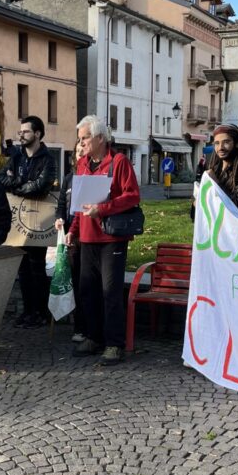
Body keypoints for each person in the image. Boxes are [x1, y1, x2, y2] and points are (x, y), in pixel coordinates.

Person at [67, 115, 141, 365]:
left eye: (85, 138)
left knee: (110, 291)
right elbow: (78, 204)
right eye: (80, 139)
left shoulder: (119, 162)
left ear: (100, 138)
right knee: (88, 290)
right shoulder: (82, 165)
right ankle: (93, 336)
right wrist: (73, 230)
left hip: (111, 237)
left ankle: (114, 343)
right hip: (87, 237)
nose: (82, 143)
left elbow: (132, 196)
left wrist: (104, 208)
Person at [0, 115, 56, 327]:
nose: (21, 135)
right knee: (22, 268)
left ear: (38, 134)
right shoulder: (17, 157)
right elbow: (1, 178)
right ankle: (28, 311)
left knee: (37, 267)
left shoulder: (48, 159)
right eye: (20, 131)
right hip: (19, 220)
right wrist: (22, 183)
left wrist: (17, 184)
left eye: (26, 131)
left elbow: (41, 187)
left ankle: (41, 312)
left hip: (39, 221)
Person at [55, 139, 86, 342]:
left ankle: (86, 325)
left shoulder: (92, 176)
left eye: (83, 149)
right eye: (77, 151)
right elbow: (61, 204)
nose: (80, 153)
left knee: (87, 284)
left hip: (88, 236)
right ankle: (79, 325)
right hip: (71, 237)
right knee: (75, 281)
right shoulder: (68, 179)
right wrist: (59, 218)